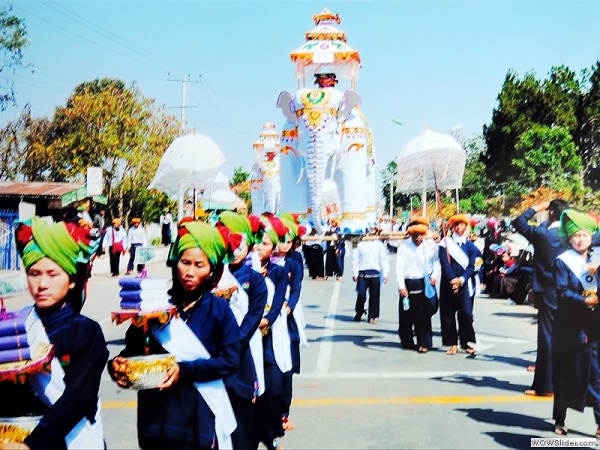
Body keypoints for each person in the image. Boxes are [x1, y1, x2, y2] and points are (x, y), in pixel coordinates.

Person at [108, 221, 240, 450]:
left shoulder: (219, 310)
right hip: (154, 419)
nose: (190, 272)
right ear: (175, 263)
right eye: (185, 262)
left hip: (198, 416)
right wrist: (117, 365)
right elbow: (134, 349)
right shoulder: (154, 304)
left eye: (199, 265)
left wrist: (184, 370)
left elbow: (230, 361)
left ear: (212, 270)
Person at [0, 216, 108, 449]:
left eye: (53, 274)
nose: (42, 284)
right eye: (34, 273)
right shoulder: (15, 326)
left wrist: (33, 444)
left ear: (71, 280)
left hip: (65, 441)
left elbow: (80, 397)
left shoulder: (86, 332)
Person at [216, 211, 268, 449]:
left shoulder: (256, 281)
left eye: (241, 244)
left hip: (243, 349)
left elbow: (253, 317)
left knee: (244, 415)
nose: (235, 251)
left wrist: (233, 342)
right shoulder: (213, 275)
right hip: (213, 354)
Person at [512, 199, 568, 396]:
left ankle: (545, 386)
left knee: (546, 339)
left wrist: (537, 207)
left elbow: (518, 222)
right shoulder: (570, 235)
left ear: (551, 212)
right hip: (568, 292)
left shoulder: (543, 234)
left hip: (547, 292)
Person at [552, 209, 600, 436]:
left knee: (596, 375)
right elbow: (562, 292)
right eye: (576, 236)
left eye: (585, 235)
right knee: (566, 374)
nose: (581, 239)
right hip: (570, 326)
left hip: (594, 325)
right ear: (569, 238)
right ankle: (560, 419)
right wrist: (585, 300)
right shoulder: (563, 262)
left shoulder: (596, 260)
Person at [253, 214, 291, 450]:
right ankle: (262, 434)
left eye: (265, 243)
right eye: (256, 240)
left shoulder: (278, 272)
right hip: (247, 339)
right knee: (253, 390)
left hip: (269, 337)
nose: (258, 247)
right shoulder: (240, 270)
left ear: (273, 247)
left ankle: (271, 431)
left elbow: (277, 304)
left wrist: (264, 321)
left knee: (273, 388)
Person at [276, 213, 308, 431]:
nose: (284, 245)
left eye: (288, 240)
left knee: (287, 370)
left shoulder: (295, 262)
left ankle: (283, 414)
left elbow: (296, 289)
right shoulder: (262, 263)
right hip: (267, 320)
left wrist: (287, 308)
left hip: (287, 318)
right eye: (280, 240)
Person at [395, 217, 440, 352]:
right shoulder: (404, 247)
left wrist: (434, 275)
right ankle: (407, 341)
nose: (418, 238)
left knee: (423, 315)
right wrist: (401, 286)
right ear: (411, 234)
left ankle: (423, 342)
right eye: (416, 235)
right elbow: (399, 268)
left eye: (421, 235)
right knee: (406, 315)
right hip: (408, 283)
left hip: (423, 282)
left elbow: (437, 261)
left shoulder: (430, 246)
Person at [438, 214, 480, 355]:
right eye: (456, 225)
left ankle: (465, 342)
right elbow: (444, 264)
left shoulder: (472, 248)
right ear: (452, 227)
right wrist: (452, 281)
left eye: (461, 224)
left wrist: (461, 280)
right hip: (447, 284)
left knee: (466, 314)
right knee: (448, 314)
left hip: (464, 285)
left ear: (466, 226)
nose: (459, 227)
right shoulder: (445, 244)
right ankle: (452, 343)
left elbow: (474, 267)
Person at [351, 234, 389, 324]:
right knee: (361, 295)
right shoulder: (360, 244)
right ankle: (359, 312)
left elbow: (383, 259)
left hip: (375, 274)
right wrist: (355, 273)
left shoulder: (379, 245)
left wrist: (385, 273)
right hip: (363, 274)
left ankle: (372, 316)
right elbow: (355, 259)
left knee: (374, 297)